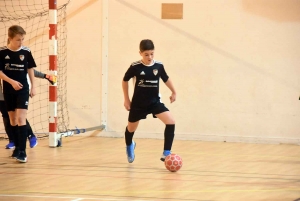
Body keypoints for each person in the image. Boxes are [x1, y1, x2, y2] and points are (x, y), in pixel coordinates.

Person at [122, 39, 177, 163]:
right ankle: (130, 145)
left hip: (154, 103)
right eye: (146, 54)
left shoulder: (158, 65)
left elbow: (166, 78)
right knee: (131, 128)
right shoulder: (135, 67)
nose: (149, 57)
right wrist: (126, 99)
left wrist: (174, 91)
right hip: (138, 104)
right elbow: (124, 80)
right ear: (140, 53)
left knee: (171, 121)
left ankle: (166, 152)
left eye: (152, 54)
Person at [0, 25, 37, 163]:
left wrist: (33, 86)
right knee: (12, 120)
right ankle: (16, 147)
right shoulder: (2, 52)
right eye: (17, 40)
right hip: (8, 90)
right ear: (10, 38)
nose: (21, 42)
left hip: (23, 89)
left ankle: (23, 151)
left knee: (21, 119)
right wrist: (11, 82)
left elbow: (30, 69)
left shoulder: (26, 51)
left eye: (22, 39)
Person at [2, 69, 57, 149]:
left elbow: (27, 68)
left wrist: (45, 76)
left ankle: (31, 135)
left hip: (11, 90)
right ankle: (12, 140)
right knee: (6, 115)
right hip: (4, 91)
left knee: (18, 115)